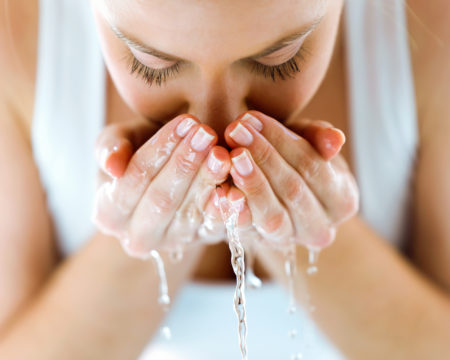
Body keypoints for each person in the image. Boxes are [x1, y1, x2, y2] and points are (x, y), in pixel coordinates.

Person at [0, 0, 448, 359]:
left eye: (280, 59)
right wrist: (156, 229)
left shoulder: (434, 31)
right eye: (149, 63)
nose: (217, 128)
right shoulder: (16, 37)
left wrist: (290, 223)